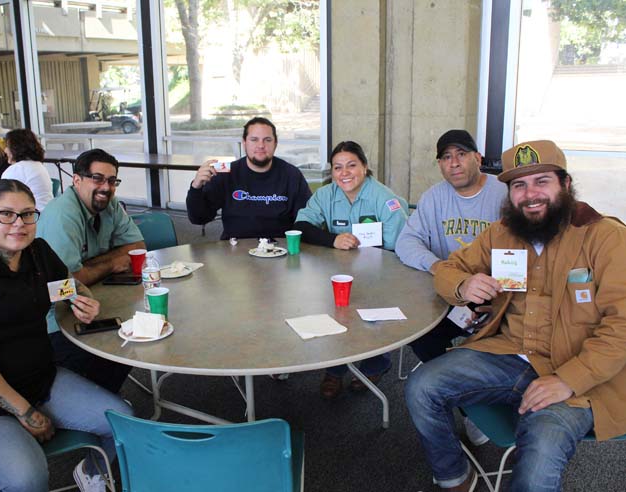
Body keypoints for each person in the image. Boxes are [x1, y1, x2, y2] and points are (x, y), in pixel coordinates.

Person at [405, 140, 626, 492]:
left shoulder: (606, 238)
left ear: (565, 185)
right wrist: (463, 285)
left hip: (576, 372)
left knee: (538, 461)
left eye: (542, 181)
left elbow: (621, 328)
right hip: (510, 353)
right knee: (421, 386)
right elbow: (449, 269)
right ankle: (455, 477)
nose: (530, 194)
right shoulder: (504, 233)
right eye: (519, 186)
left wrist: (568, 379)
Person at [0, 179, 132, 492]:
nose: (19, 224)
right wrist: (25, 412)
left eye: (27, 214)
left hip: (40, 381)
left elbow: (68, 287)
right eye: (6, 214)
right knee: (28, 477)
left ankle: (91, 472)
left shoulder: (37, 253)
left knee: (123, 421)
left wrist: (82, 300)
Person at [294, 141, 408, 399]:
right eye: (337, 167)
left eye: (352, 165)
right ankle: (335, 368)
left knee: (370, 310)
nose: (344, 173)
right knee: (332, 308)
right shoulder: (325, 195)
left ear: (365, 167)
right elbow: (301, 226)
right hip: (338, 273)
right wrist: (332, 239)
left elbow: (398, 249)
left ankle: (375, 364)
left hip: (382, 274)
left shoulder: (385, 199)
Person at [37, 148, 145, 393]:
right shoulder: (62, 216)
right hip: (56, 320)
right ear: (77, 180)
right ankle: (95, 404)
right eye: (97, 178)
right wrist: (111, 262)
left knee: (137, 331)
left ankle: (103, 398)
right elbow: (67, 283)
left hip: (99, 299)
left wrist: (92, 267)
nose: (106, 187)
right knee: (125, 340)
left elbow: (138, 247)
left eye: (111, 180)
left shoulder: (109, 203)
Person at [396, 130, 507, 361]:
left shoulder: (504, 193)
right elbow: (406, 241)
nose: (454, 163)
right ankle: (450, 378)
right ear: (440, 164)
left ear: (478, 158)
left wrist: (496, 298)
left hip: (497, 294)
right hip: (449, 291)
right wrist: (436, 265)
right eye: (446, 157)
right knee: (420, 334)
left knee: (497, 345)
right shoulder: (433, 197)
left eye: (461, 154)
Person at [186, 117, 312, 239]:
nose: (261, 145)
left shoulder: (292, 174)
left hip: (279, 250)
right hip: (234, 250)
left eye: (267, 140)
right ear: (244, 142)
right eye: (254, 139)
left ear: (275, 143)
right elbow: (199, 218)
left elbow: (307, 221)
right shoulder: (226, 172)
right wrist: (196, 187)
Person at [1, 129, 54, 210]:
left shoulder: (16, 170)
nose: (5, 150)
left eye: (7, 146)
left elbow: (2, 200)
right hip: (47, 214)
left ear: (16, 148)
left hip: (32, 217)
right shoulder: (38, 165)